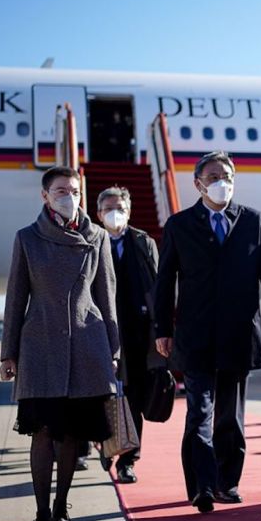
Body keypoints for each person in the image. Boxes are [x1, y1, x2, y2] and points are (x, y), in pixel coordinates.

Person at [154, 151, 261, 513]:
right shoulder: (180, 226)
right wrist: (162, 329)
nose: (221, 182)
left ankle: (227, 482)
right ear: (198, 184)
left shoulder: (252, 221)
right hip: (195, 335)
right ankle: (201, 486)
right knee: (199, 413)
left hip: (238, 335)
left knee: (230, 417)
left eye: (226, 175)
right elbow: (165, 282)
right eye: (213, 176)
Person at [0, 166, 121, 521]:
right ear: (45, 196)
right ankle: (39, 514)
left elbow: (107, 296)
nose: (69, 196)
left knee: (71, 436)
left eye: (74, 190)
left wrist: (113, 351)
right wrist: (9, 353)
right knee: (43, 433)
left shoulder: (96, 236)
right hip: (41, 346)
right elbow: (15, 298)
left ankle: (62, 507)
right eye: (61, 190)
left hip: (86, 345)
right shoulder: (28, 238)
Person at [96, 186, 159, 484]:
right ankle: (102, 446)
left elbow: (157, 287)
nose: (114, 213)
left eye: (119, 207)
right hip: (99, 332)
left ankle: (128, 460)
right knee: (98, 395)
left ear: (129, 211)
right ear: (98, 213)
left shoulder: (143, 243)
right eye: (108, 208)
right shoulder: (90, 242)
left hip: (135, 333)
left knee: (133, 399)